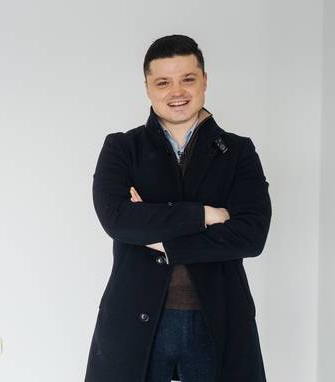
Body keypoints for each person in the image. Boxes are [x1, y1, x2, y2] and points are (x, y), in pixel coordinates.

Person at [84, 34, 272, 382]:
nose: (177, 92)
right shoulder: (121, 148)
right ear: (147, 87)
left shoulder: (238, 152)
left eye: (188, 79)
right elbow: (118, 220)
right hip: (135, 319)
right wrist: (206, 215)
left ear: (204, 80)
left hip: (218, 319)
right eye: (163, 82)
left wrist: (159, 237)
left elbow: (251, 236)